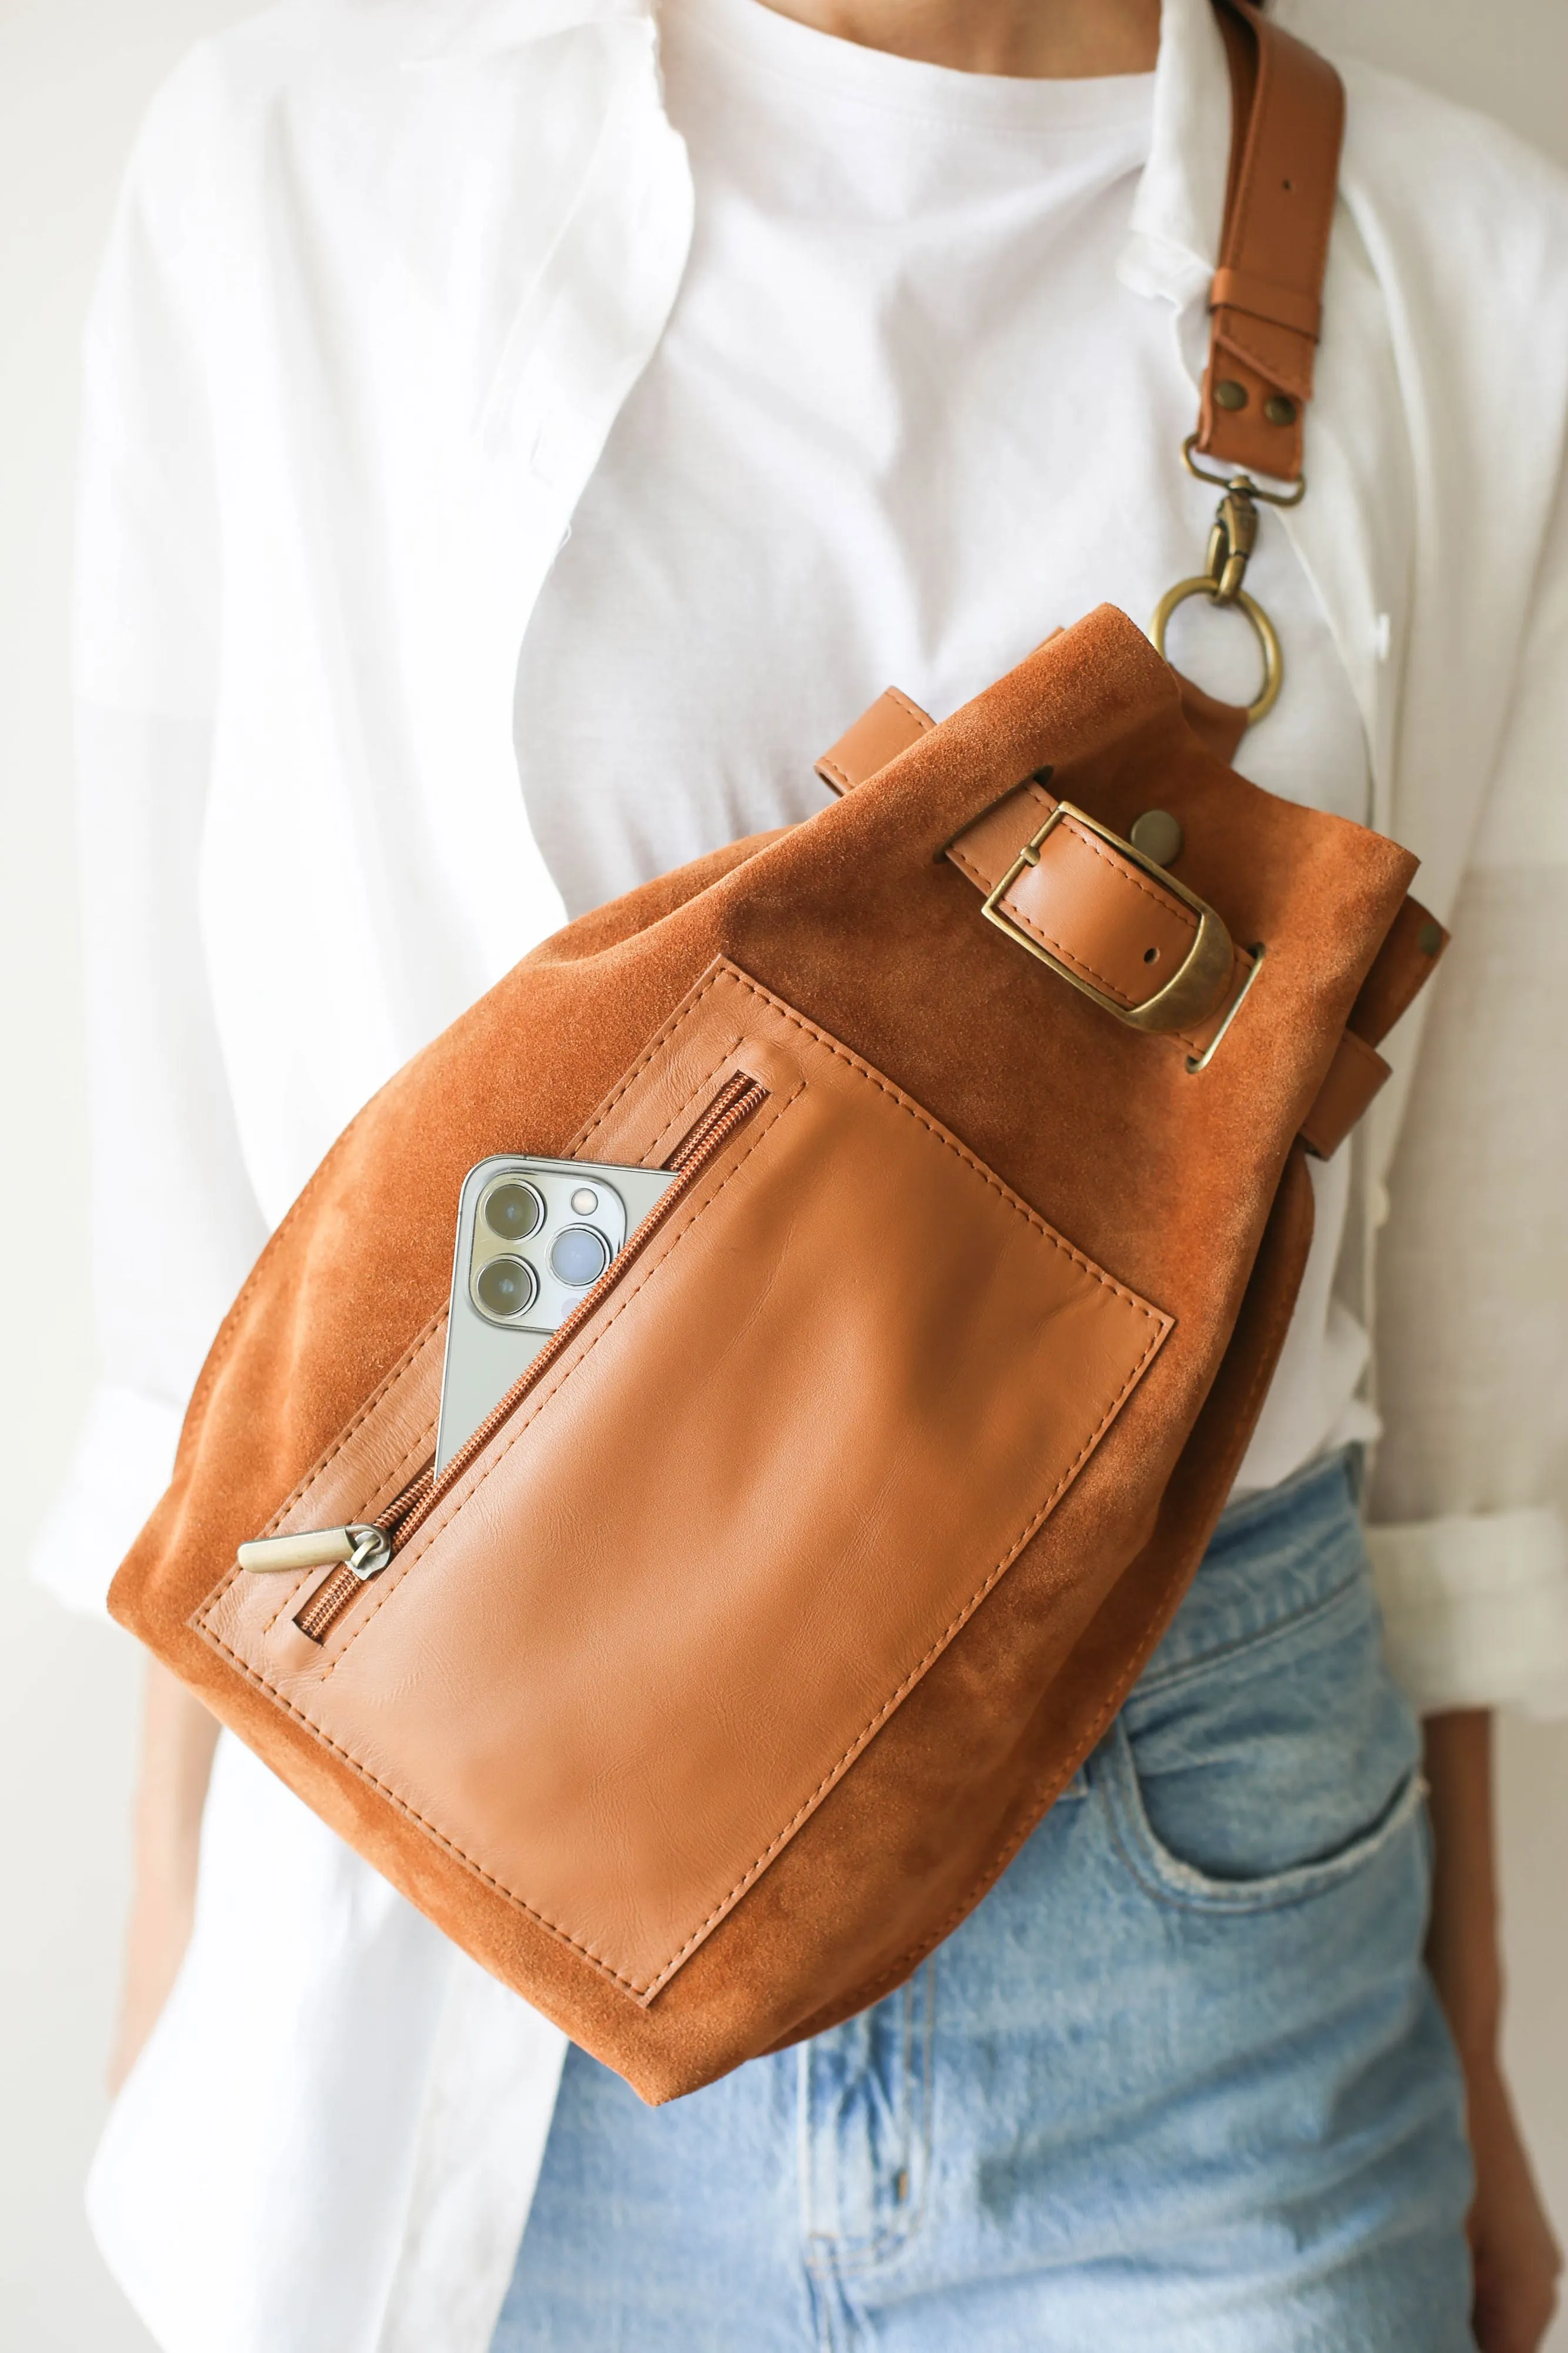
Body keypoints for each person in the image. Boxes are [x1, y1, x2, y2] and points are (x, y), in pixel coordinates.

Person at [33, 0, 1568, 2344]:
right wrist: (191, 1921)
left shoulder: (1469, 265)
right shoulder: (298, 159)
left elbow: (1456, 1261)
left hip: (1200, 1931)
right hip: (467, 1916)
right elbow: (183, 1183)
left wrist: (1469, 2027)